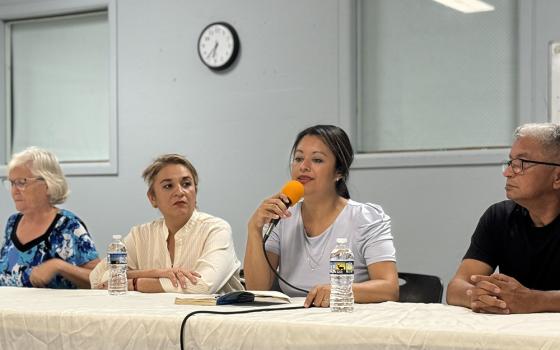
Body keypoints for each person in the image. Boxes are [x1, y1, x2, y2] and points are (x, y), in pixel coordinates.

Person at [244, 125, 399, 308]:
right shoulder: (283, 216)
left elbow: (389, 289)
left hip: (346, 319)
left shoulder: (366, 218)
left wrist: (339, 290)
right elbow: (257, 289)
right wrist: (254, 229)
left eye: (317, 160)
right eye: (299, 158)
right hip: (291, 321)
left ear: (339, 171)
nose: (303, 167)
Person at [447, 123, 560, 314]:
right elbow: (456, 287)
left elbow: (528, 301)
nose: (507, 173)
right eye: (510, 163)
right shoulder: (499, 217)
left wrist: (535, 301)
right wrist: (478, 295)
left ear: (557, 177)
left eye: (520, 165)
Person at [89, 154, 243, 293]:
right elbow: (98, 279)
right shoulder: (140, 235)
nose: (180, 192)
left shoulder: (216, 229)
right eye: (168, 186)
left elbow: (201, 286)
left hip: (215, 321)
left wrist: (136, 283)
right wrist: (156, 273)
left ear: (195, 191)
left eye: (186, 184)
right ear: (152, 198)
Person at [0, 147, 100, 288]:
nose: (14, 191)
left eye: (21, 182)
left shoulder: (68, 225)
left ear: (47, 184)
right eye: (11, 183)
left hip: (53, 309)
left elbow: (101, 278)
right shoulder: (12, 223)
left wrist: (59, 266)